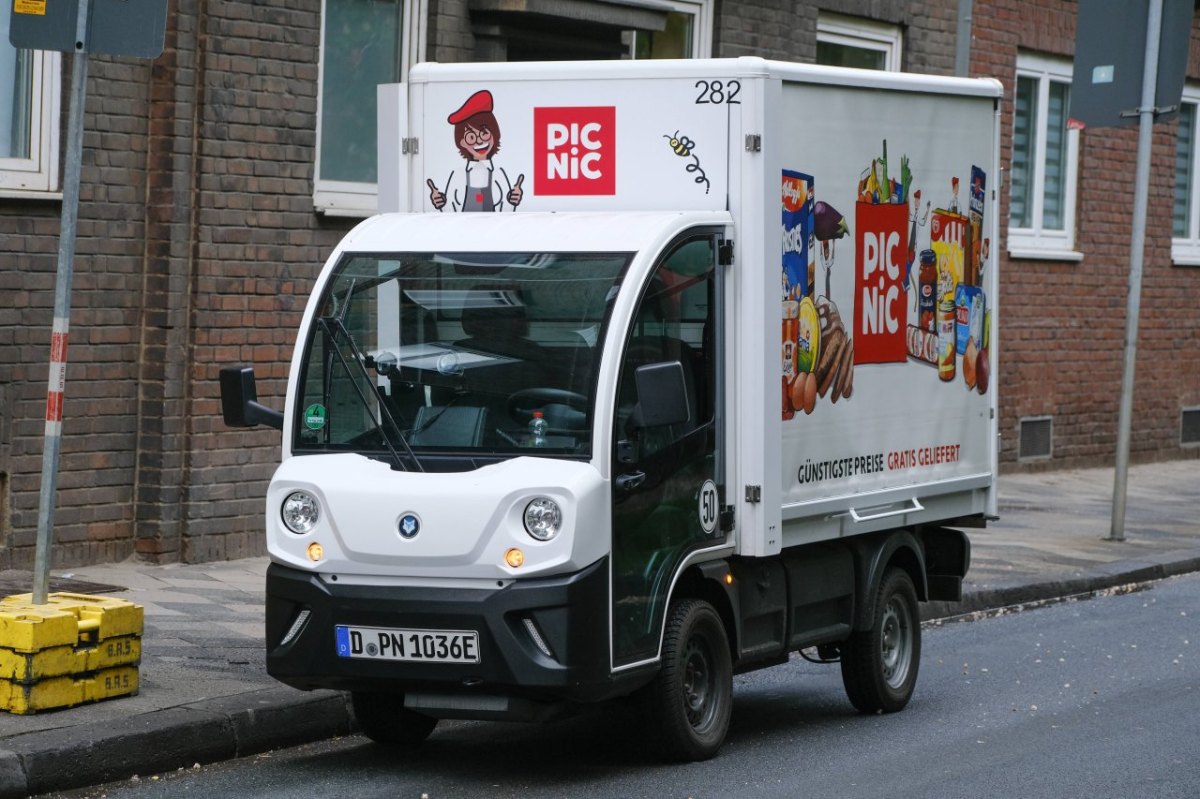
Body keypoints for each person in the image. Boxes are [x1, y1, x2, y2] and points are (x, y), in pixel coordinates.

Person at [427, 90, 525, 212]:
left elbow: (506, 210)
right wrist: (440, 203)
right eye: (471, 137)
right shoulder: (458, 174)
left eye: (484, 134)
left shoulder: (498, 174)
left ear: (494, 135)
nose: (479, 142)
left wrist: (513, 200)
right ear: (462, 142)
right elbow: (450, 210)